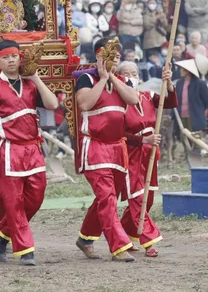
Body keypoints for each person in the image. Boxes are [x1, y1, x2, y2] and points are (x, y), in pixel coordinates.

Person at [0, 40, 59, 266]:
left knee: (36, 196)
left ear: (20, 58)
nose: (11, 60)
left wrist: (36, 78)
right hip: (9, 149)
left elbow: (52, 104)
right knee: (14, 202)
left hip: (33, 148)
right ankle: (25, 251)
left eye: (14, 56)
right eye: (5, 57)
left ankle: (1, 232)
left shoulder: (31, 84)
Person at [74, 38, 139, 262]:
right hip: (95, 147)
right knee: (107, 197)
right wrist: (102, 79)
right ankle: (119, 247)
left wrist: (111, 77)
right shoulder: (86, 78)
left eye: (118, 57)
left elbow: (134, 98)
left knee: (107, 198)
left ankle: (85, 238)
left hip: (118, 149)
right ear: (99, 57)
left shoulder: (122, 81)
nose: (115, 59)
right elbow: (84, 104)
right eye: (110, 56)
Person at [116, 61, 176, 257]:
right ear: (118, 77)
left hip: (150, 153)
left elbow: (170, 102)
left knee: (148, 198)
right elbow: (119, 134)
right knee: (137, 198)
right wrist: (143, 140)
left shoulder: (148, 96)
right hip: (130, 153)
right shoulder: (117, 103)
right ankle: (149, 241)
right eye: (127, 73)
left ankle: (124, 234)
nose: (131, 76)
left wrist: (168, 82)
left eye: (134, 73)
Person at [174, 56, 208, 132]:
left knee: (195, 139)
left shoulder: (200, 84)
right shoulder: (179, 83)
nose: (180, 71)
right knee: (183, 139)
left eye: (182, 69)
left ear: (187, 71)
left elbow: (206, 100)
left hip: (195, 116)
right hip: (181, 116)